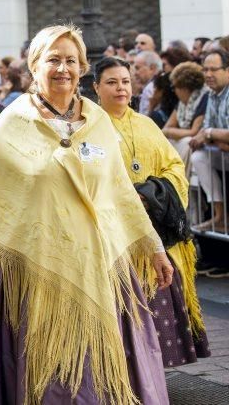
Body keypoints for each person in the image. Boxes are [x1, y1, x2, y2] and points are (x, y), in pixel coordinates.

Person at [0, 24, 174, 405]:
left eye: (71, 61)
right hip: (36, 266)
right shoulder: (14, 121)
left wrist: (154, 247)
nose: (63, 68)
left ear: (82, 68)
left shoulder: (97, 120)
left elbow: (120, 191)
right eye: (54, 60)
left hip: (97, 264)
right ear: (35, 66)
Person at [94, 56, 210, 368]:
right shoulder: (91, 126)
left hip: (156, 227)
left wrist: (153, 195)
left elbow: (174, 166)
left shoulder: (146, 124)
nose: (121, 88)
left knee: (160, 303)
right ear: (96, 87)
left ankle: (154, 380)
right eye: (112, 82)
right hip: (116, 235)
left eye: (125, 82)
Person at [189, 48, 229, 231]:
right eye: (205, 70)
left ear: (227, 70)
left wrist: (210, 134)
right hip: (223, 152)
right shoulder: (212, 94)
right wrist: (213, 136)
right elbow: (205, 132)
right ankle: (220, 216)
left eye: (214, 69)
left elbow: (207, 132)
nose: (208, 74)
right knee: (198, 157)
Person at [163, 62, 210, 163]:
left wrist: (169, 132)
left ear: (184, 88)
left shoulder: (204, 98)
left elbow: (194, 132)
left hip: (201, 147)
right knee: (166, 143)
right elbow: (166, 128)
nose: (174, 91)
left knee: (186, 142)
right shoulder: (183, 103)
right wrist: (168, 132)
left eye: (175, 87)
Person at [134, 50, 163, 115]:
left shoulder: (150, 89)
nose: (135, 73)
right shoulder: (150, 86)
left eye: (137, 68)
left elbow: (144, 120)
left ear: (152, 68)